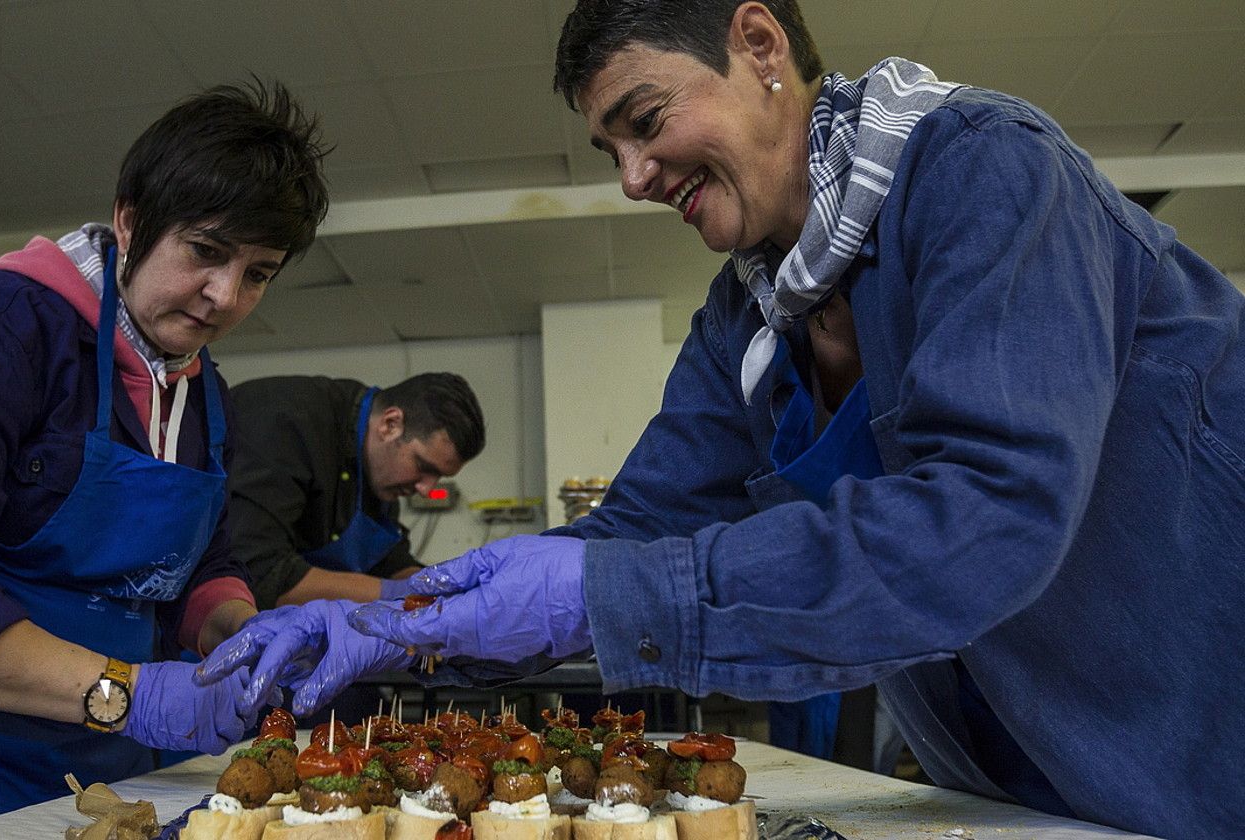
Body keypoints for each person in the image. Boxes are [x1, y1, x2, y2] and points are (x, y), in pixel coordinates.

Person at [196, 2, 1245, 836]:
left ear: (758, 45)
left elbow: (988, 516)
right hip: (1004, 777)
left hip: (1197, 756)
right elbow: (635, 530)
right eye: (610, 149)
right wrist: (399, 623)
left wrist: (600, 596)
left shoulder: (986, 172)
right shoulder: (744, 314)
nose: (632, 180)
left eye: (645, 121)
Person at [0, 79, 330, 837]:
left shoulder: (205, 394)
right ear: (130, 220)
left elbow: (198, 567)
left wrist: (242, 633)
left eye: (259, 273)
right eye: (206, 252)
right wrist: (134, 695)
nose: (225, 295)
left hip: (103, 776)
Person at [226, 373, 485, 610]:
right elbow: (260, 572)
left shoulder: (379, 470)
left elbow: (384, 558)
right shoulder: (285, 422)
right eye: (423, 466)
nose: (426, 489)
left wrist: (432, 586)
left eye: (438, 477)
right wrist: (396, 593)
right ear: (390, 424)